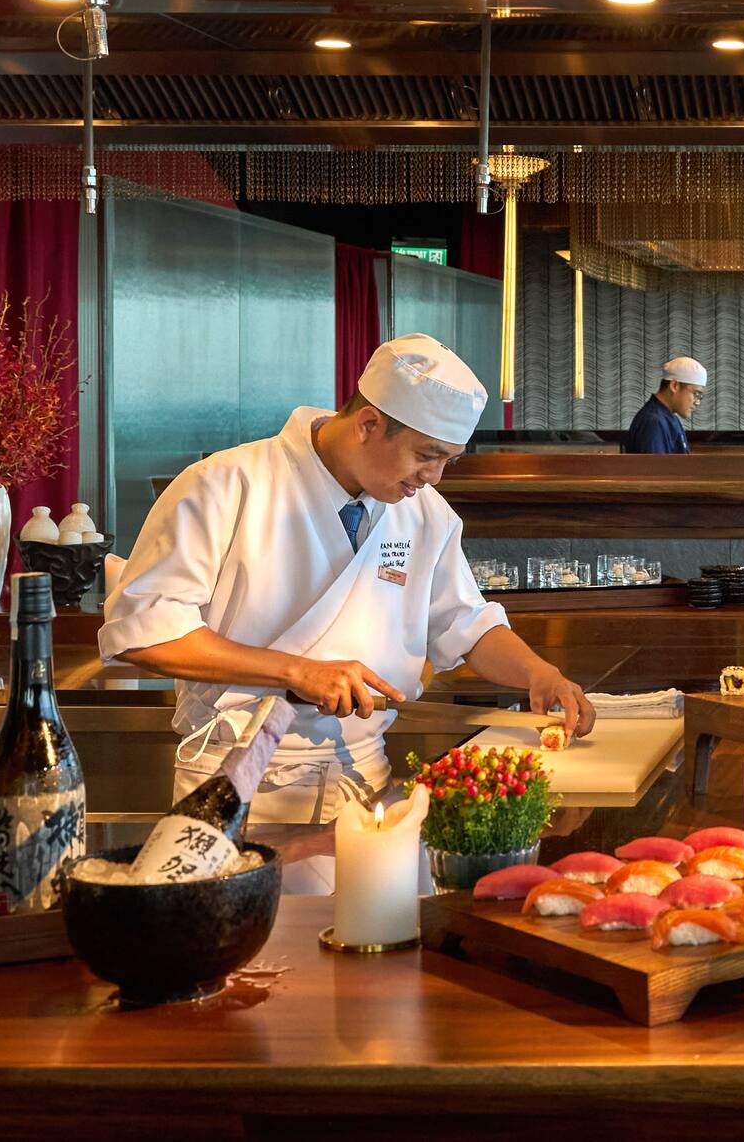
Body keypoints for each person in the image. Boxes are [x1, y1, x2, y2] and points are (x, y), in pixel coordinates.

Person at [98, 333, 595, 886]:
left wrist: (538, 673)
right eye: (427, 455)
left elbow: (463, 623)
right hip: (239, 783)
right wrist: (297, 671)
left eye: (447, 460)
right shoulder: (224, 485)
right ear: (368, 425)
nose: (434, 477)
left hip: (366, 783)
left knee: (394, 956)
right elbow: (145, 632)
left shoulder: (424, 514)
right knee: (256, 965)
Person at [624, 355, 706, 454]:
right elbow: (656, 468)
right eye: (696, 394)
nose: (697, 402)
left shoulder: (668, 417)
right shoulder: (653, 422)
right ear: (674, 386)